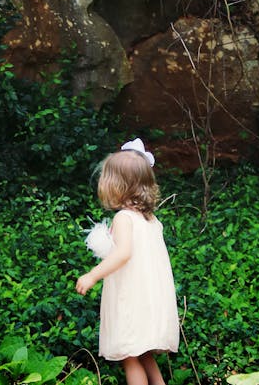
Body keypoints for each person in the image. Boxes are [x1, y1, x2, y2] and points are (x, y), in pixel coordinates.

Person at [76, 138, 179, 385]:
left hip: (132, 300)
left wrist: (92, 275)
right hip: (151, 298)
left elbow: (122, 254)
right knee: (143, 354)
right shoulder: (151, 220)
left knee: (130, 356)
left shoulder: (124, 218)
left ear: (117, 185)